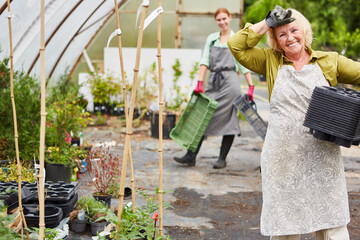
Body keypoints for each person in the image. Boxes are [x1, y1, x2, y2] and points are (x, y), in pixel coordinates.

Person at [227, 5, 360, 240]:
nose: (290, 38)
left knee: (331, 223)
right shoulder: (269, 61)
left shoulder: (330, 61)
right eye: (282, 34)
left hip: (323, 157)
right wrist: (267, 23)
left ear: (304, 32)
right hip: (282, 158)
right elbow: (236, 45)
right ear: (276, 41)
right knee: (284, 226)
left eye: (294, 30)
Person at [173, 8, 254, 169]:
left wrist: (251, 86)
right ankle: (191, 156)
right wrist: (200, 82)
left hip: (230, 83)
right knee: (202, 117)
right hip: (214, 81)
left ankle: (222, 159)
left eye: (225, 18)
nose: (222, 22)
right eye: (219, 20)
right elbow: (204, 62)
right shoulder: (211, 39)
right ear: (215, 21)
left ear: (230, 18)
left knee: (230, 119)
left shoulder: (236, 38)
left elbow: (242, 65)